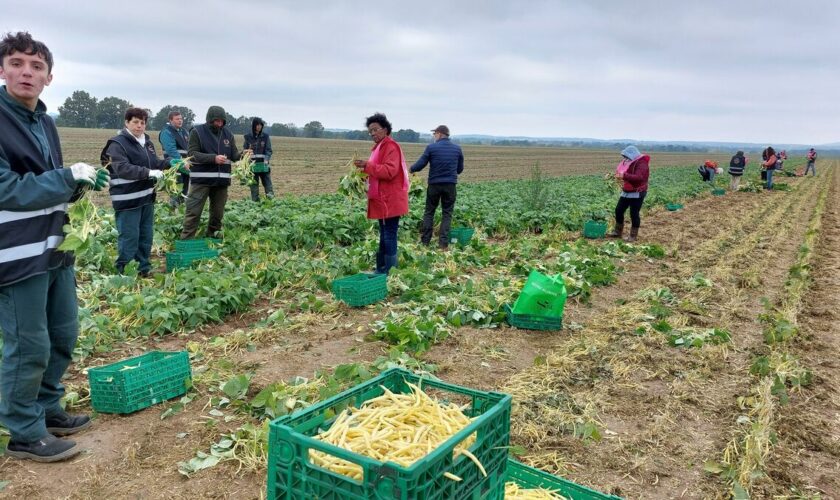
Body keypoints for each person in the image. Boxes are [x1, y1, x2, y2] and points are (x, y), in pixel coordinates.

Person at [0, 31, 110, 462]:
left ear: (49, 77)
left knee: (62, 333)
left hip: (53, 246)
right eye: (17, 63)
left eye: (36, 66)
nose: (26, 72)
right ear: (3, 69)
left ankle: (45, 408)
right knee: (29, 343)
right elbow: (7, 188)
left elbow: (47, 185)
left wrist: (80, 185)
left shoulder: (44, 122)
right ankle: (24, 431)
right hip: (15, 252)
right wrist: (66, 176)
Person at [101, 107, 176, 276]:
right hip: (127, 200)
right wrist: (148, 173)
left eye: (142, 122)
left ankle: (143, 268)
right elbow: (122, 168)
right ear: (127, 123)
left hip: (146, 198)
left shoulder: (147, 143)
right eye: (135, 122)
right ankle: (125, 272)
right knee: (129, 237)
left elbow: (154, 163)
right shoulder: (117, 144)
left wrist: (171, 162)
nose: (139, 126)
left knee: (145, 236)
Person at [353, 113, 409, 274]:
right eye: (370, 131)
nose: (372, 134)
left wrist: (367, 166)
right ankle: (382, 268)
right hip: (383, 199)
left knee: (389, 234)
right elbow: (377, 170)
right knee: (384, 234)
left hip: (390, 199)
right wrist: (362, 175)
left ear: (385, 129)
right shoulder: (379, 148)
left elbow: (390, 171)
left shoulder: (391, 147)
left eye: (375, 130)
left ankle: (390, 271)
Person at [180, 105, 246, 239]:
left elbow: (233, 155)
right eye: (216, 121)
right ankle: (186, 241)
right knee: (193, 212)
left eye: (222, 121)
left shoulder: (228, 134)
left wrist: (244, 155)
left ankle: (213, 239)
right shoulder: (197, 132)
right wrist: (213, 158)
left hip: (221, 182)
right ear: (210, 119)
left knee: (217, 214)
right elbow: (192, 154)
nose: (219, 124)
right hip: (201, 181)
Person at [409, 125, 464, 249]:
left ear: (439, 134)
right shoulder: (457, 149)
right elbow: (459, 170)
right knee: (447, 213)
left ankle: (425, 242)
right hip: (450, 185)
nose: (434, 136)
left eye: (435, 134)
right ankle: (443, 244)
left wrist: (411, 169)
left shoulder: (431, 148)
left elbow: (421, 164)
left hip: (434, 185)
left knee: (429, 212)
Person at [607, 145, 649, 242]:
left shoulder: (642, 163)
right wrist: (613, 176)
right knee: (618, 210)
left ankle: (633, 236)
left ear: (632, 154)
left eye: (626, 156)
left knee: (634, 213)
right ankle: (617, 231)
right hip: (627, 190)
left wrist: (624, 175)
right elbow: (621, 173)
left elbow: (639, 177)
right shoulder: (628, 161)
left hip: (637, 192)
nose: (625, 158)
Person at [158, 110, 190, 207]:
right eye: (177, 119)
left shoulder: (184, 132)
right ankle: (174, 212)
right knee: (176, 190)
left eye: (181, 119)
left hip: (185, 166)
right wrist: (182, 161)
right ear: (170, 120)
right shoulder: (166, 132)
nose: (180, 121)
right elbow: (171, 150)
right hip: (174, 166)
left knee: (185, 190)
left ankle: (182, 211)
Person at [243, 117, 274, 201]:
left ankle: (271, 201)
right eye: (257, 125)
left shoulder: (265, 137)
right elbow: (244, 150)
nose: (259, 127)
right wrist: (246, 157)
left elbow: (268, 150)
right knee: (254, 186)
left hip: (263, 165)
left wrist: (266, 159)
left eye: (260, 125)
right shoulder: (248, 137)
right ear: (254, 126)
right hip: (252, 166)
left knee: (268, 185)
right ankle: (255, 203)